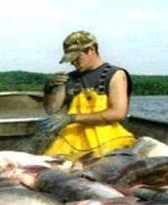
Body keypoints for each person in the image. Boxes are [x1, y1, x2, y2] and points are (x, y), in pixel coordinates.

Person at [38, 31, 136, 160]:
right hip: (70, 140)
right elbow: (52, 110)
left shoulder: (115, 74)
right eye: (71, 60)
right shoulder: (69, 78)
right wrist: (48, 90)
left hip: (107, 139)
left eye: (76, 58)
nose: (73, 63)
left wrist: (72, 118)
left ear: (91, 50)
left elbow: (118, 113)